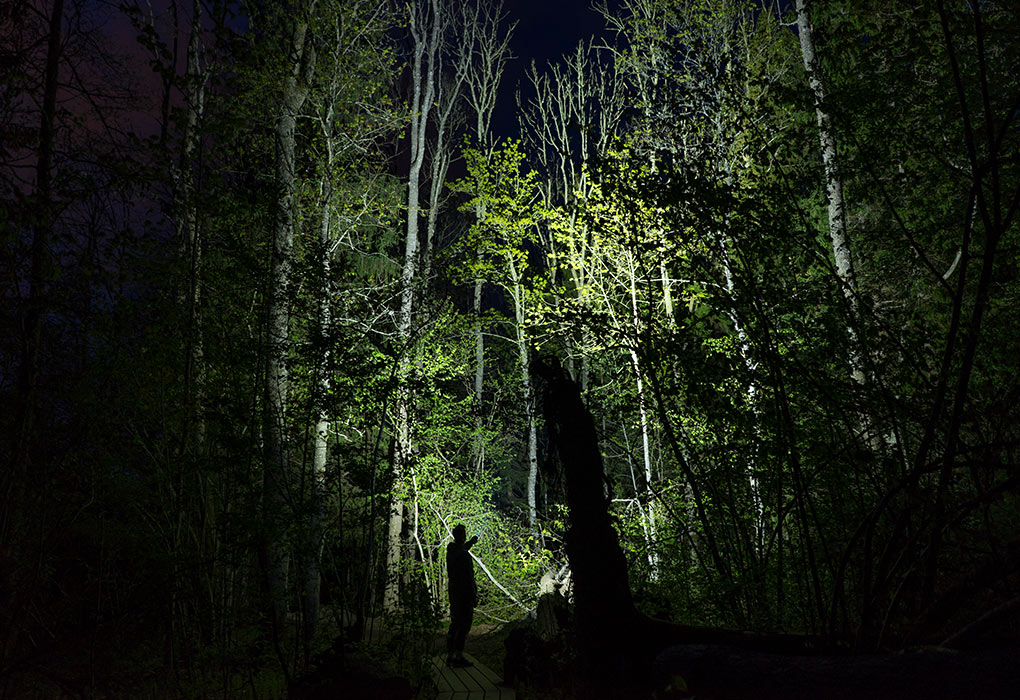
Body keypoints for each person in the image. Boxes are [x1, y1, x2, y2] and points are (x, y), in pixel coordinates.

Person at [446, 524, 478, 667]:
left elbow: (461, 549)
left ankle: (451, 655)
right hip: (464, 594)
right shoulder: (463, 555)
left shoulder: (451, 551)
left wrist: (471, 542)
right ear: (462, 536)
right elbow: (468, 578)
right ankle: (458, 656)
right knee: (464, 625)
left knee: (455, 624)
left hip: (454, 593)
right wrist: (473, 595)